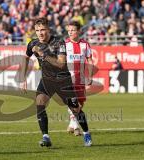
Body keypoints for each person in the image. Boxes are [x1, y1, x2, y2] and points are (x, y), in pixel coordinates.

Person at [21, 17, 92, 147]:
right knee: (40, 103)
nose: (40, 33)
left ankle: (87, 133)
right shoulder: (32, 44)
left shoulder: (58, 43)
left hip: (63, 80)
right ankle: (45, 137)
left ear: (48, 29)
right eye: (37, 30)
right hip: (47, 80)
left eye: (43, 29)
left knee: (75, 109)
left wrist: (43, 54)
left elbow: (60, 63)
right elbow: (25, 58)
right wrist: (23, 78)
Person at [65, 21, 93, 136]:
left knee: (80, 104)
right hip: (68, 79)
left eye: (73, 30)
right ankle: (76, 128)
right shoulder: (65, 45)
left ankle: (72, 124)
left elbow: (90, 60)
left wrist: (90, 76)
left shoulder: (85, 45)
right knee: (72, 103)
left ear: (79, 31)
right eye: (69, 30)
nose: (70, 32)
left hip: (80, 79)